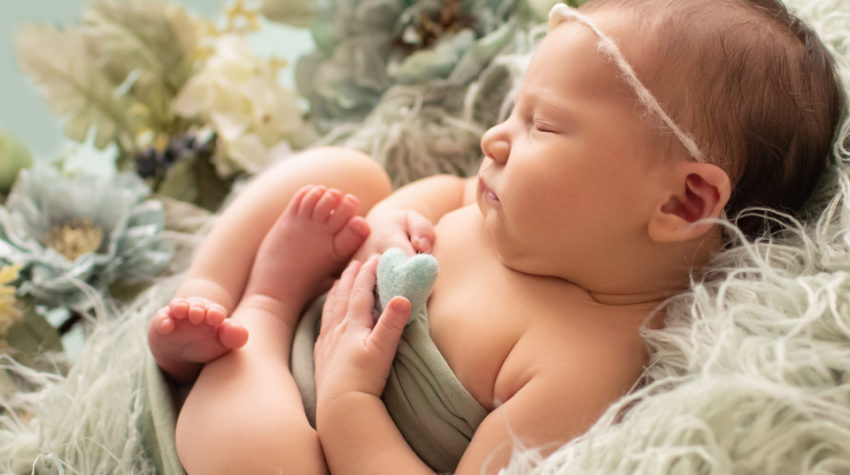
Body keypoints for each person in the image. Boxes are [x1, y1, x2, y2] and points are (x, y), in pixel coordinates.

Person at [147, 0, 845, 473]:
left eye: (541, 125)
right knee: (345, 169)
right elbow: (428, 200)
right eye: (514, 111)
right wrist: (390, 222)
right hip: (309, 305)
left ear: (685, 201)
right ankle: (213, 295)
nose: (493, 138)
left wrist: (346, 401)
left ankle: (255, 316)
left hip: (296, 416)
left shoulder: (588, 362)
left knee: (271, 461)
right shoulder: (496, 212)